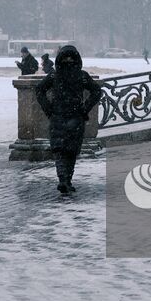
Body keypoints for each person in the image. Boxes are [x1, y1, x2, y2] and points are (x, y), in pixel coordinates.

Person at [35, 45, 103, 195]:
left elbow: (39, 90)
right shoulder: (81, 75)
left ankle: (63, 180)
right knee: (71, 151)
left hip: (58, 116)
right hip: (75, 117)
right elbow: (97, 91)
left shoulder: (54, 75)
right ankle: (67, 181)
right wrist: (85, 108)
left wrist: (49, 108)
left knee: (59, 151)